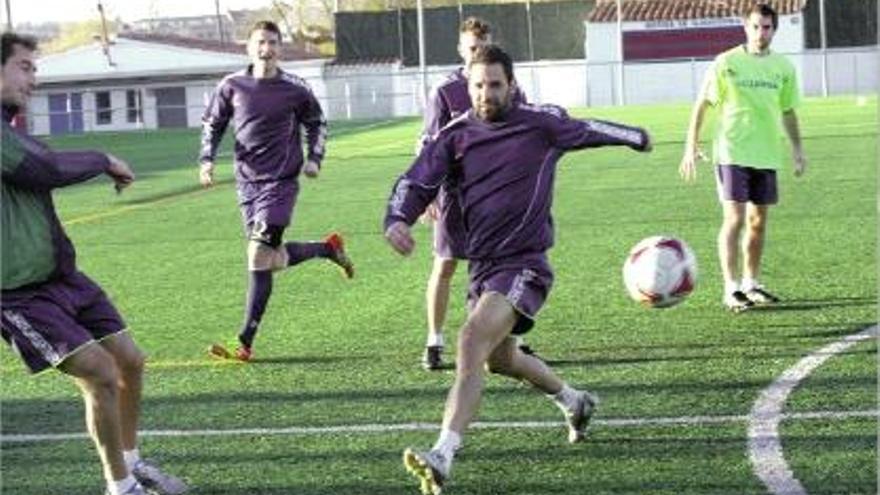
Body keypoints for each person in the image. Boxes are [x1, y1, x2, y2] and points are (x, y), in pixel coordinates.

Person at [384, 44, 652, 495]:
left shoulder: (539, 125)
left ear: (511, 85)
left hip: (525, 263)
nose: (485, 94)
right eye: (478, 85)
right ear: (467, 86)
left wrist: (634, 136)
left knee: (469, 340)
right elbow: (416, 179)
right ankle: (575, 401)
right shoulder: (456, 135)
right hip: (484, 269)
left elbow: (586, 129)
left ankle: (443, 454)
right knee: (501, 360)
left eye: (494, 85)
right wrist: (397, 219)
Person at [0, 32, 188, 495]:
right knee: (100, 372)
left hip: (61, 278)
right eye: (25, 67)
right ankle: (121, 488)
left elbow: (42, 163)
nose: (34, 80)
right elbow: (44, 168)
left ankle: (131, 462)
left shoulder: (10, 126)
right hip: (16, 291)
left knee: (130, 360)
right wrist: (103, 159)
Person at [199, 21, 354, 362]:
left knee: (257, 257)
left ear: (279, 48)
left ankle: (244, 342)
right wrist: (206, 160)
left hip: (280, 183)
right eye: (259, 42)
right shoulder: (231, 85)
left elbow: (317, 123)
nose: (265, 48)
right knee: (270, 259)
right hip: (246, 184)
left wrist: (315, 158)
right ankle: (326, 249)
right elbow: (213, 124)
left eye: (271, 42)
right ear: (248, 47)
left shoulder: (295, 88)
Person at [417, 16, 532, 371]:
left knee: (506, 268)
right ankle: (434, 341)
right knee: (446, 265)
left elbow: (526, 134)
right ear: (460, 49)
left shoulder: (508, 87)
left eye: (481, 48)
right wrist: (427, 195)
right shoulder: (445, 91)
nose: (475, 55)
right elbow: (429, 146)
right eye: (470, 49)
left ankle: (514, 343)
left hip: (499, 199)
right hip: (456, 200)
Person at [680, 3, 806, 313]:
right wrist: (690, 145)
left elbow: (788, 111)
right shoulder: (726, 62)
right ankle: (731, 288)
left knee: (758, 222)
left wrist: (798, 149)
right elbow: (703, 104)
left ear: (774, 30)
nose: (761, 33)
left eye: (767, 27)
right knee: (734, 219)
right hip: (732, 151)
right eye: (756, 27)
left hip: (766, 154)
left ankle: (752, 283)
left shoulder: (783, 67)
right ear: (745, 27)